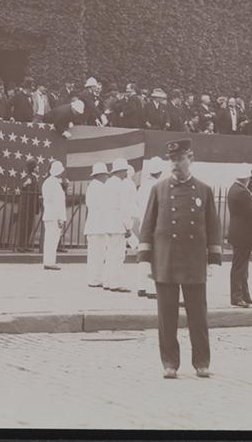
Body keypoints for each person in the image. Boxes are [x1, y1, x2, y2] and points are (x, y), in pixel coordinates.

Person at [138, 138, 222, 379]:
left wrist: (213, 260)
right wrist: (145, 258)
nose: (175, 164)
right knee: (167, 317)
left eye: (180, 159)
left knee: (198, 316)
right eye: (172, 160)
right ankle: (170, 363)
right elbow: (147, 225)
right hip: (166, 261)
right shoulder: (159, 189)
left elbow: (213, 226)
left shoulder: (204, 190)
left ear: (190, 159)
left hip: (194, 261)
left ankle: (202, 362)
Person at [227, 165, 252, 307]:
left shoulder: (233, 189)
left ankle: (244, 295)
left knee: (241, 266)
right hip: (244, 234)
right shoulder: (243, 192)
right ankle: (237, 297)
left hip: (238, 233)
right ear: (246, 179)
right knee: (240, 267)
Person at [103, 158, 134, 292]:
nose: (126, 173)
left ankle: (107, 281)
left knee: (109, 254)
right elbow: (124, 208)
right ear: (120, 171)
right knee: (118, 255)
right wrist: (128, 227)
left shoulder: (108, 183)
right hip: (118, 223)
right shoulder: (121, 186)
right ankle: (115, 283)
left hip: (108, 222)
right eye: (125, 170)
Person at [135, 156, 164, 299]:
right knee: (155, 257)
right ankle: (152, 289)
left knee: (144, 256)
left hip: (143, 224)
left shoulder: (143, 186)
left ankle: (141, 286)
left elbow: (137, 203)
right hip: (155, 225)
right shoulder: (159, 186)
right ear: (160, 171)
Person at [84, 162, 110, 288]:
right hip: (98, 225)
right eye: (105, 174)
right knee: (98, 254)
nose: (106, 177)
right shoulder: (99, 187)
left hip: (94, 225)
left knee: (95, 254)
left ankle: (94, 278)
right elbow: (104, 206)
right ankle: (95, 279)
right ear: (100, 175)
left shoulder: (93, 186)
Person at [41, 160, 66, 270]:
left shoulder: (49, 182)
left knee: (50, 239)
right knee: (52, 239)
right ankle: (50, 262)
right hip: (54, 215)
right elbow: (57, 202)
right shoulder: (53, 183)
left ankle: (49, 261)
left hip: (50, 214)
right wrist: (60, 218)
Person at [16, 159, 41, 253]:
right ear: (33, 167)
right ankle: (20, 246)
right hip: (25, 206)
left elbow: (35, 192)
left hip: (31, 206)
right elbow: (19, 190)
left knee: (29, 226)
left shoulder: (34, 177)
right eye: (36, 166)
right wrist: (25, 184)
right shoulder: (27, 177)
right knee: (23, 226)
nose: (38, 167)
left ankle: (25, 245)